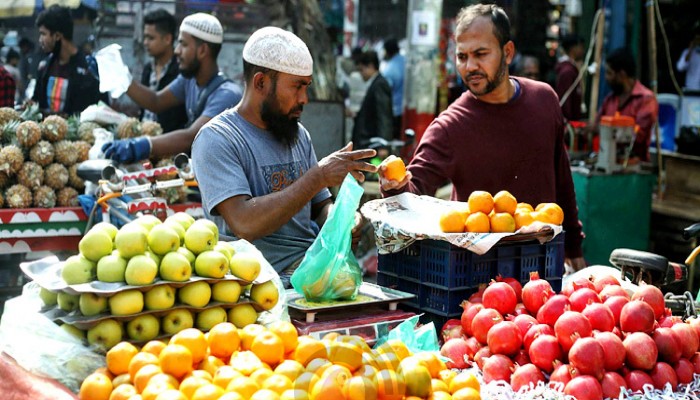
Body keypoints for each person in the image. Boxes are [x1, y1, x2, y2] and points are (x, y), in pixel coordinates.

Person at [378, 3, 586, 271]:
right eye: (462, 56)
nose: (470, 66)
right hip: (475, 275)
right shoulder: (450, 126)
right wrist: (395, 186)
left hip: (544, 263)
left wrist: (574, 246)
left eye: (480, 54)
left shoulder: (544, 100)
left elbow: (562, 180)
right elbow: (414, 192)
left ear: (507, 52)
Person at [191, 26, 378, 287]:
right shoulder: (217, 139)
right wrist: (318, 177)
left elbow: (319, 207)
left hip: (310, 273)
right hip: (254, 285)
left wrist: (341, 221)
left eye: (307, 86)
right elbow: (243, 222)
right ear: (260, 83)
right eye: (297, 87)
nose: (305, 98)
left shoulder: (298, 134)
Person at [102, 13, 242, 164]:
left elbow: (191, 137)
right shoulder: (189, 81)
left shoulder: (227, 94)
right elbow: (156, 101)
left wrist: (140, 146)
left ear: (202, 50)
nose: (176, 50)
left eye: (183, 44)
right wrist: (119, 76)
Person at [32, 5, 106, 115]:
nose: (40, 40)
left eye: (43, 34)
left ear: (57, 36)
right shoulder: (44, 66)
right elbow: (37, 101)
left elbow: (100, 110)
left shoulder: (89, 69)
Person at [593, 48, 658, 162]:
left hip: (635, 167)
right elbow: (596, 126)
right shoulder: (610, 99)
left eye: (609, 73)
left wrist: (607, 130)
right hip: (607, 162)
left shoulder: (646, 99)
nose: (606, 78)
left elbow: (637, 137)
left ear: (622, 75)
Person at [140, 9, 187, 133]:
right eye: (145, 37)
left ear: (167, 39)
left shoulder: (181, 71)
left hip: (168, 145)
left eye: (150, 38)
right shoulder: (148, 69)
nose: (145, 43)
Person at [352, 50, 393, 153]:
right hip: (368, 141)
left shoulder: (379, 84)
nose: (361, 74)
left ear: (370, 66)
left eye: (362, 70)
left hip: (373, 143)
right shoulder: (376, 83)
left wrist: (383, 144)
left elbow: (383, 114)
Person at [555, 34, 585, 121]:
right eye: (581, 47)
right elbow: (565, 102)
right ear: (573, 49)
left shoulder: (571, 69)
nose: (583, 51)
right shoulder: (568, 71)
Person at [381, 38, 405, 139]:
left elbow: (385, 92)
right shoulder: (406, 61)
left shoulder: (389, 70)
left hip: (394, 111)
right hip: (405, 111)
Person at [676, 22, 700, 91]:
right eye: (697, 39)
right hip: (691, 89)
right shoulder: (687, 52)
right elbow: (680, 68)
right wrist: (690, 49)